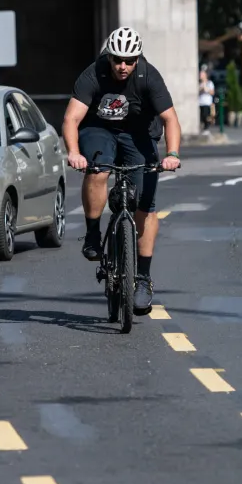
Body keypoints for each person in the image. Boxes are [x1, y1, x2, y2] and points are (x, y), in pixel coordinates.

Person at [61, 26, 182, 315]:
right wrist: (74, 153)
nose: (123, 66)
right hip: (100, 129)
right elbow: (71, 118)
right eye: (117, 60)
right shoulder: (94, 73)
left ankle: (142, 279)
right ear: (110, 57)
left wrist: (173, 154)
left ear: (137, 59)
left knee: (146, 208)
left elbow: (170, 120)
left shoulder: (148, 76)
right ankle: (92, 234)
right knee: (99, 170)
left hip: (139, 134)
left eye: (129, 60)